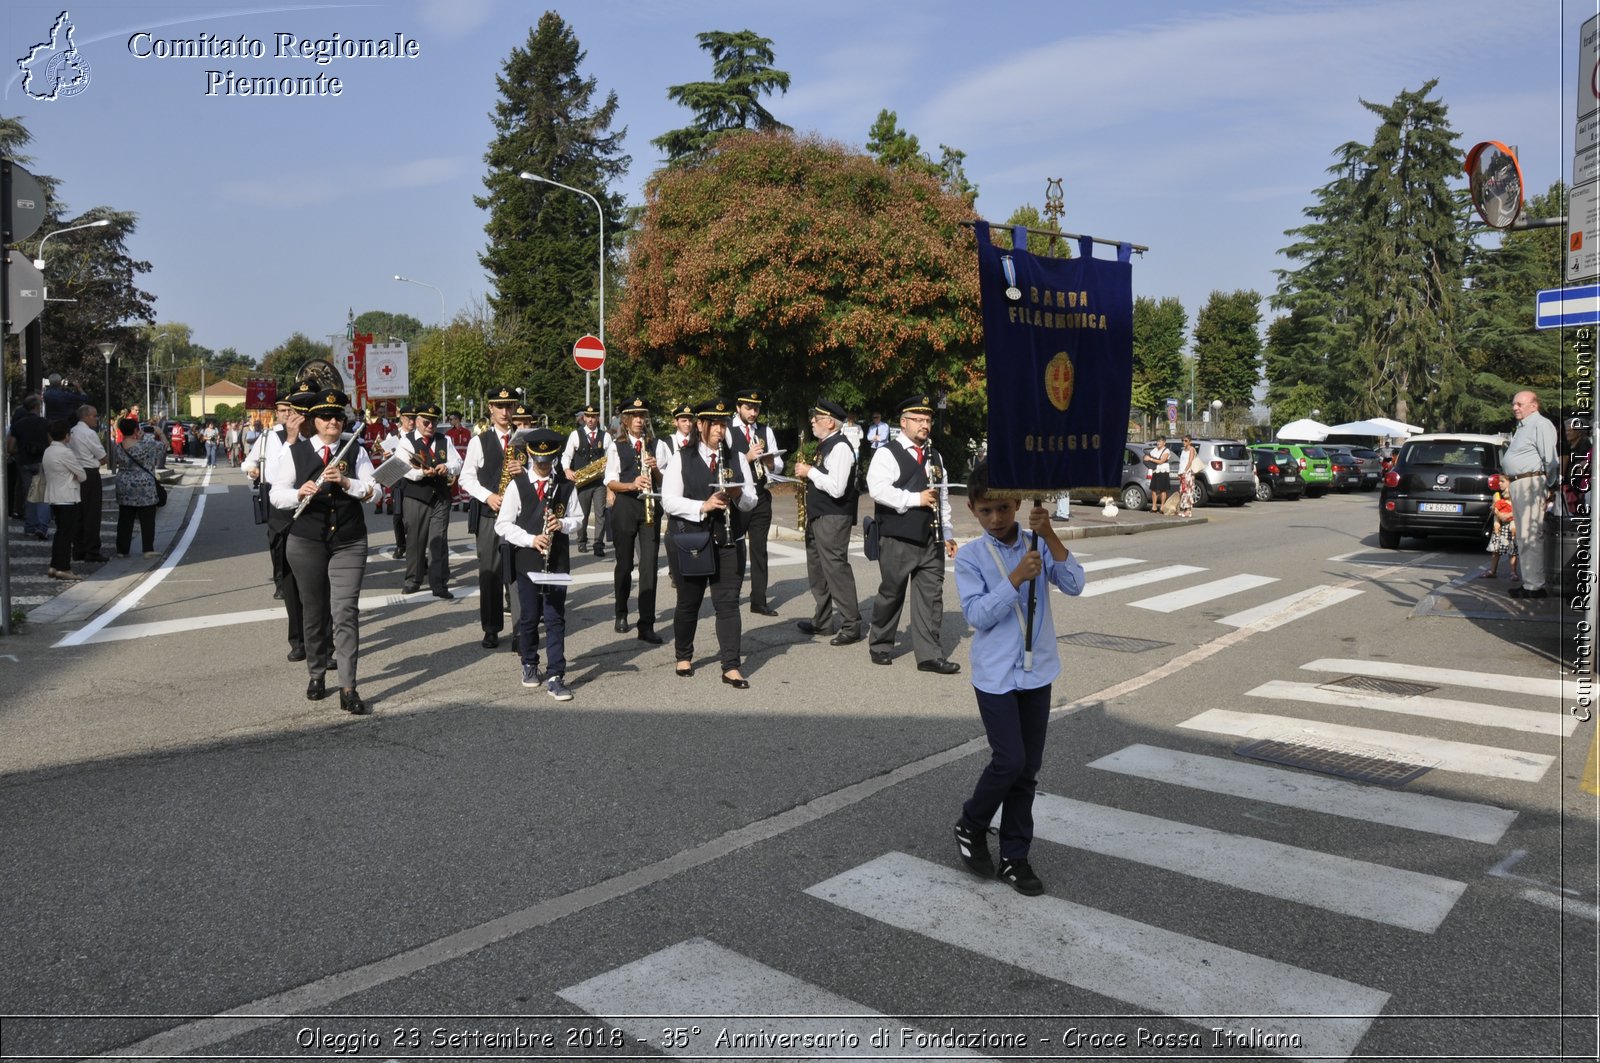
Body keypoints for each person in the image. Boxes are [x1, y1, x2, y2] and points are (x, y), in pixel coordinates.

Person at [951, 462, 1086, 896]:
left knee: (1027, 770)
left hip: (1037, 671)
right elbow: (976, 615)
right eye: (987, 510)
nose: (997, 518)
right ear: (973, 509)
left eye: (1004, 508)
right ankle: (972, 823)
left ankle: (1015, 855)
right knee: (1008, 760)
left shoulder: (1035, 544)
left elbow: (1075, 583)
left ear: (1019, 504)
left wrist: (1048, 535)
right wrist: (1014, 579)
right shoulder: (971, 557)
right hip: (995, 675)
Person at [270, 389, 379, 715]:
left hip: (349, 540)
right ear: (314, 421)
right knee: (314, 611)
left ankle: (348, 687)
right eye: (326, 417)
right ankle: (316, 674)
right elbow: (277, 494)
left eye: (338, 417)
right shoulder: (296, 452)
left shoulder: (355, 450)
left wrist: (346, 483)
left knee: (345, 612)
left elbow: (374, 492)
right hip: (306, 542)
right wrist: (299, 493)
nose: (333, 421)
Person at [662, 398, 759, 687]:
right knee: (688, 602)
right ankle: (683, 655)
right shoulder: (682, 457)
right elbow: (668, 500)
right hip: (693, 539)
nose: (720, 429)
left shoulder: (737, 458)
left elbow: (752, 500)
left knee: (728, 603)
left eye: (723, 423)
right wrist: (701, 507)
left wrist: (738, 495)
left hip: (729, 541)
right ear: (700, 425)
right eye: (714, 423)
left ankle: (731, 666)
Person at [865, 394, 959, 672]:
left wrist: (949, 532)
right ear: (903, 422)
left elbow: (942, 497)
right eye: (918, 420)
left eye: (928, 420)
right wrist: (914, 499)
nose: (924, 425)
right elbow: (878, 489)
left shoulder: (936, 455)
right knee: (891, 593)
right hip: (897, 537)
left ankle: (929, 654)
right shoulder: (887, 452)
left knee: (931, 597)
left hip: (931, 538)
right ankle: (881, 643)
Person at [495, 427, 584, 701]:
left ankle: (557, 674)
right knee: (530, 617)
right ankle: (530, 662)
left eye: (548, 462)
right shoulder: (517, 484)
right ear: (531, 457)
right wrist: (530, 539)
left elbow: (578, 518)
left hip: (555, 562)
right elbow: (503, 525)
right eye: (539, 462)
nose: (543, 467)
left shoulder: (565, 486)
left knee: (556, 617)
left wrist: (563, 523)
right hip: (527, 561)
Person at [460, 387, 524, 649]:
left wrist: (526, 468)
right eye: (500, 406)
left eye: (509, 406)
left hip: (519, 515)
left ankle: (521, 629)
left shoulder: (522, 439)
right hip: (490, 514)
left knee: (519, 574)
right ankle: (491, 628)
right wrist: (487, 496)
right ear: (491, 409)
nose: (505, 412)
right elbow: (466, 478)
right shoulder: (479, 440)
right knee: (490, 573)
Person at [794, 399, 861, 644]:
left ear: (830, 422)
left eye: (816, 418)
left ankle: (851, 624)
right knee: (817, 570)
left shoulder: (840, 447)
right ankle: (822, 621)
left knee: (835, 569)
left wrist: (809, 471)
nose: (812, 421)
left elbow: (837, 487)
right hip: (819, 514)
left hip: (833, 516)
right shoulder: (826, 445)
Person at [604, 396, 670, 644]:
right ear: (626, 420)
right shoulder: (616, 446)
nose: (640, 421)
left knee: (649, 566)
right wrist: (631, 484)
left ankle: (647, 623)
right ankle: (621, 612)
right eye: (635, 416)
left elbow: (666, 480)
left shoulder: (658, 445)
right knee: (624, 564)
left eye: (643, 416)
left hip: (650, 507)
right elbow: (610, 481)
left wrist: (654, 469)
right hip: (625, 505)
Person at [392, 402, 462, 599]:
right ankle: (413, 580)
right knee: (415, 539)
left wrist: (447, 467)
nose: (430, 426)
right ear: (417, 421)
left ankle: (439, 584)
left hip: (440, 496)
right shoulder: (406, 441)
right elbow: (402, 469)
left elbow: (458, 462)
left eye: (434, 422)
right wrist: (422, 473)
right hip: (416, 496)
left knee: (439, 541)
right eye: (426, 422)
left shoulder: (444, 439)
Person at [729, 388, 782, 616]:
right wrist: (746, 458)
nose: (753, 412)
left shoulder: (764, 431)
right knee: (737, 547)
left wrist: (770, 463)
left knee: (759, 549)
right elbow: (725, 464)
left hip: (760, 495)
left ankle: (758, 600)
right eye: (749, 408)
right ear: (738, 407)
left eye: (756, 408)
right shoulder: (729, 431)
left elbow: (778, 465)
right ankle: (732, 595)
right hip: (739, 495)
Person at [1502, 390, 1559, 599]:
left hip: (1530, 482)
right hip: (1521, 482)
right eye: (1514, 404)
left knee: (1530, 535)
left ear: (1534, 405)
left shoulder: (1540, 424)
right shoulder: (1524, 426)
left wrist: (1550, 486)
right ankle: (1530, 582)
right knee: (1525, 535)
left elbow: (1550, 459)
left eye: (1520, 404)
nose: (1515, 407)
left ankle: (1534, 585)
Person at [113, 418, 166, 557]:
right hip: (144, 485)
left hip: (123, 483)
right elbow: (164, 446)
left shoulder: (118, 446)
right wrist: (160, 433)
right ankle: (148, 549)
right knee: (147, 517)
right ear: (136, 430)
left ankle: (122, 550)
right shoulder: (146, 444)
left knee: (125, 518)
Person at [563, 403, 610, 556]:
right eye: (588, 417)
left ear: (598, 418)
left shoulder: (606, 436)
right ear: (584, 417)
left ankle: (598, 544)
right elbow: (567, 456)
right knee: (581, 513)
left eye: (593, 417)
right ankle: (582, 541)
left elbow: (612, 457)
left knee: (600, 513)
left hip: (599, 482)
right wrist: (567, 469)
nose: (590, 420)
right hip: (582, 481)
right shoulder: (575, 435)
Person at [42, 419, 86, 581]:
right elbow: (82, 474)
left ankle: (55, 564)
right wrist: (75, 475)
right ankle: (63, 567)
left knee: (60, 533)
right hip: (68, 496)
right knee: (67, 535)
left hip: (54, 496)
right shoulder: (65, 452)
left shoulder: (48, 451)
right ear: (66, 436)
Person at [660, 402, 697, 592]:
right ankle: (675, 570)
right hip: (673, 492)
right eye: (684, 420)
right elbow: (660, 469)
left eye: (690, 420)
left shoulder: (697, 441)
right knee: (674, 530)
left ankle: (690, 566)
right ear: (676, 422)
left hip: (693, 493)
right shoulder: (666, 443)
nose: (688, 424)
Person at [6, 394, 50, 540]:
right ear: (37, 407)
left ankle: (30, 525)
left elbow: (10, 447)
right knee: (43, 494)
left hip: (24, 462)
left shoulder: (19, 424)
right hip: (41, 460)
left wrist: (21, 451)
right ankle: (42, 526)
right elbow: (51, 442)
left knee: (29, 493)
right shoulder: (44, 423)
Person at [69, 405, 109, 564]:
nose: (96, 418)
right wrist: (98, 461)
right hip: (89, 473)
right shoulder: (89, 434)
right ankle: (92, 550)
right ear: (85, 417)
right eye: (94, 416)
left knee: (77, 513)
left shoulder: (71, 432)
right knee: (92, 513)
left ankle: (78, 548)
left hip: (73, 472)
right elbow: (103, 456)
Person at [1481, 491, 1518, 581]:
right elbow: (1494, 509)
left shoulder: (1516, 501)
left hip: (1512, 527)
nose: (1504, 492)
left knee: (1513, 552)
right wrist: (1498, 515)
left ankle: (1513, 572)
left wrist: (1507, 515)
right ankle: (1493, 571)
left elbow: (1518, 512)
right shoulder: (1499, 500)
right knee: (1495, 550)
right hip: (1500, 527)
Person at [1144, 437, 1172, 514]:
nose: (1158, 443)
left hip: (1163, 471)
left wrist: (1150, 459)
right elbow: (1147, 456)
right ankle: (1154, 507)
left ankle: (1162, 507)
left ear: (1164, 443)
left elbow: (1161, 461)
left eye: (1160, 441)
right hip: (1155, 471)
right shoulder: (1155, 449)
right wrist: (1146, 458)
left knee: (1163, 489)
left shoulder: (1166, 451)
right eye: (1157, 441)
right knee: (1153, 489)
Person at [1177, 436, 1200, 518]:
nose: (1184, 442)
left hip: (1188, 473)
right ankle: (1184, 509)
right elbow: (1182, 462)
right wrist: (1179, 472)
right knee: (1183, 491)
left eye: (1186, 440)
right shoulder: (1183, 450)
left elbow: (1190, 461)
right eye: (1182, 440)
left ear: (1190, 442)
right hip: (1182, 472)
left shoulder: (1191, 449)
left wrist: (1185, 471)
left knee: (1188, 491)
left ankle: (1188, 510)